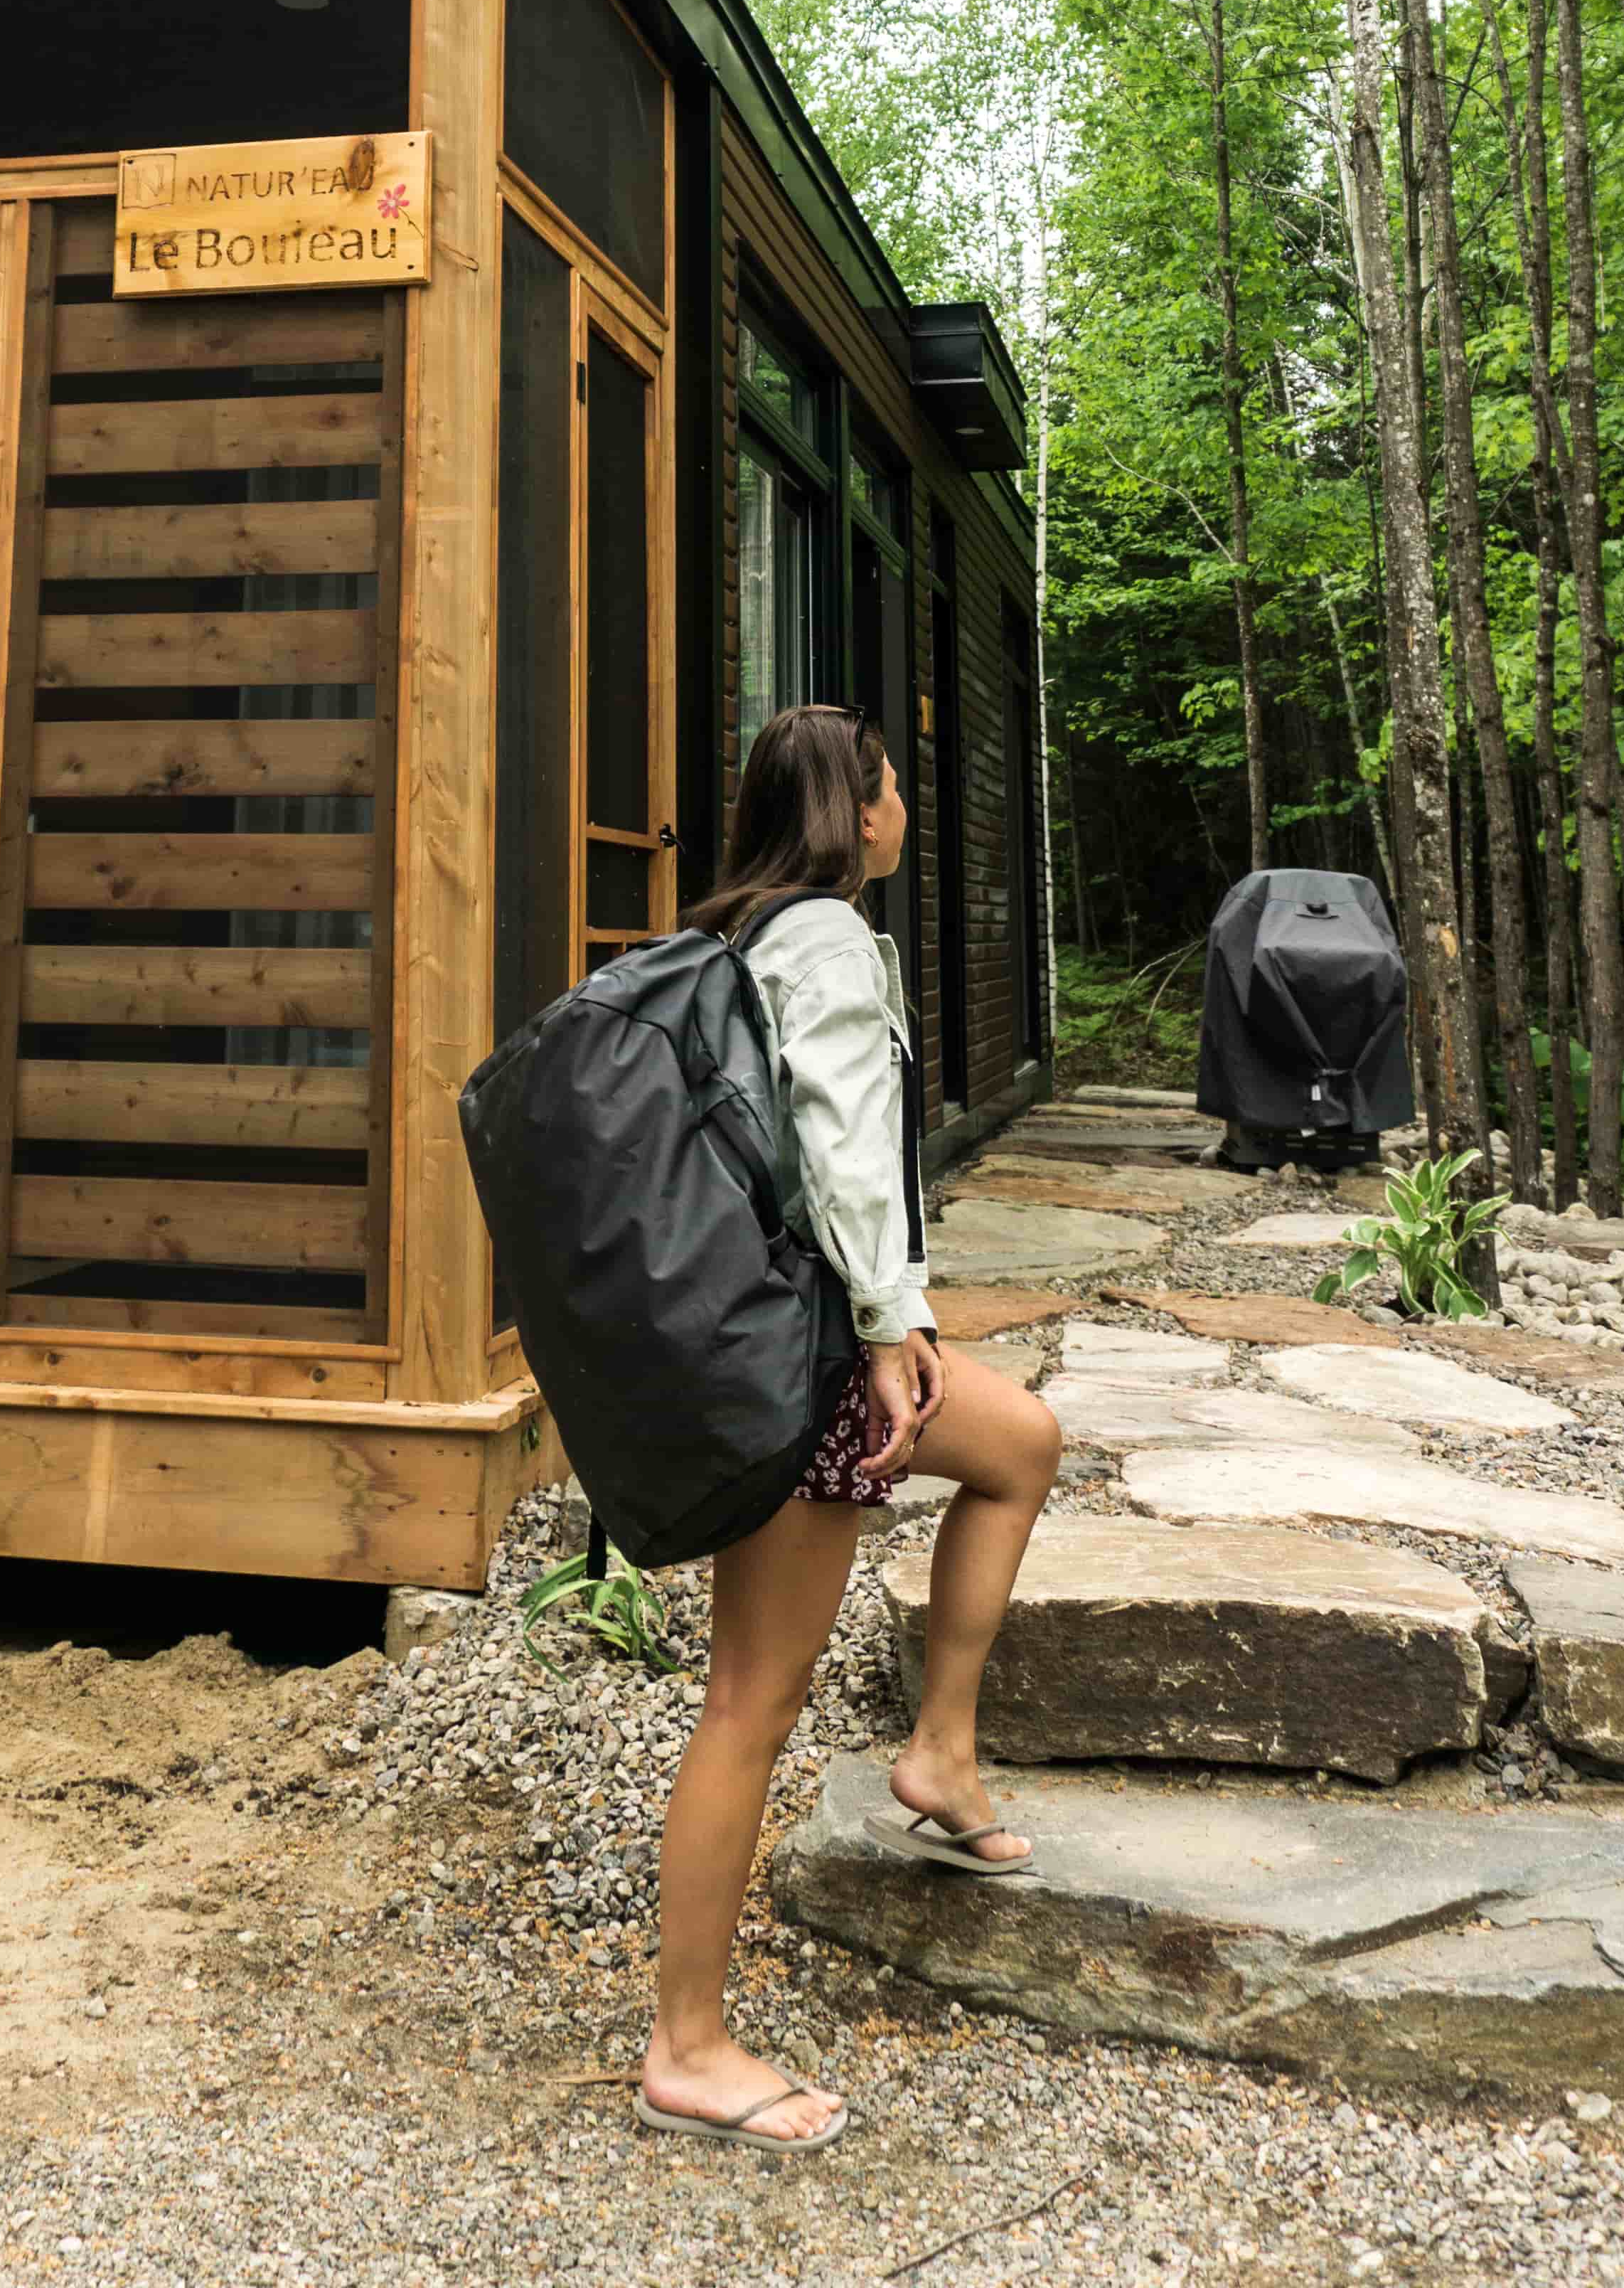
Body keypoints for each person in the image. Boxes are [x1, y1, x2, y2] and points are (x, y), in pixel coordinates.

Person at [635, 703, 1062, 2159]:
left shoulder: (748, 933)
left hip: (805, 1335)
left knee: (1019, 1446)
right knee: (750, 1702)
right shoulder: (820, 939)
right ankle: (687, 2046)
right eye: (890, 787)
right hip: (813, 1355)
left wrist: (901, 1319)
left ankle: (940, 1753)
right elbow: (837, 1144)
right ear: (852, 810)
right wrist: (888, 1329)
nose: (901, 809)